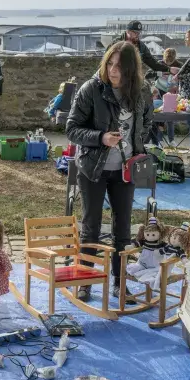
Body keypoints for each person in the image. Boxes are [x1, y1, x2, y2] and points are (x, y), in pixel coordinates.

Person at [66, 41, 151, 300]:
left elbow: (147, 122)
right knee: (91, 226)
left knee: (123, 230)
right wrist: (101, 137)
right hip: (93, 168)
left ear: (131, 70)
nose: (113, 71)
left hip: (125, 170)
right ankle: (85, 281)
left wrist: (135, 147)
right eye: (110, 64)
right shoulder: (91, 89)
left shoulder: (142, 91)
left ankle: (119, 282)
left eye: (120, 67)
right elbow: (71, 128)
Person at [105, 20, 171, 76]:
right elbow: (105, 61)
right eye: (135, 32)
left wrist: (168, 69)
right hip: (117, 78)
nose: (137, 35)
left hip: (133, 80)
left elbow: (152, 63)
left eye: (139, 33)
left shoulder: (141, 46)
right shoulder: (116, 44)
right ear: (128, 31)